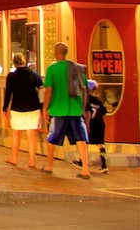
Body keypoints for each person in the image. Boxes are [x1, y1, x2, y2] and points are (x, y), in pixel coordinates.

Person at [41, 42, 90, 178]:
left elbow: (48, 91)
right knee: (80, 139)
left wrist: (45, 108)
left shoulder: (53, 69)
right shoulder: (78, 68)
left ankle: (49, 165)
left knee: (52, 138)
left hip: (58, 109)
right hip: (75, 109)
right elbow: (85, 89)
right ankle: (85, 168)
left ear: (56, 54)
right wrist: (83, 109)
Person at [2, 52, 43, 167]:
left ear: (14, 63)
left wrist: (5, 108)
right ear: (24, 62)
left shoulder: (11, 76)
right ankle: (32, 161)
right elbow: (41, 88)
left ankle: (14, 158)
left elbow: (8, 93)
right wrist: (42, 106)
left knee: (16, 134)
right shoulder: (34, 75)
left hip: (17, 107)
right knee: (32, 135)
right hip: (33, 107)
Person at [79, 79, 108, 173]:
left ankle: (82, 162)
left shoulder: (85, 100)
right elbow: (104, 111)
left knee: (84, 142)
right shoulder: (99, 101)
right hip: (99, 124)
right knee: (100, 144)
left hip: (90, 123)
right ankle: (104, 165)